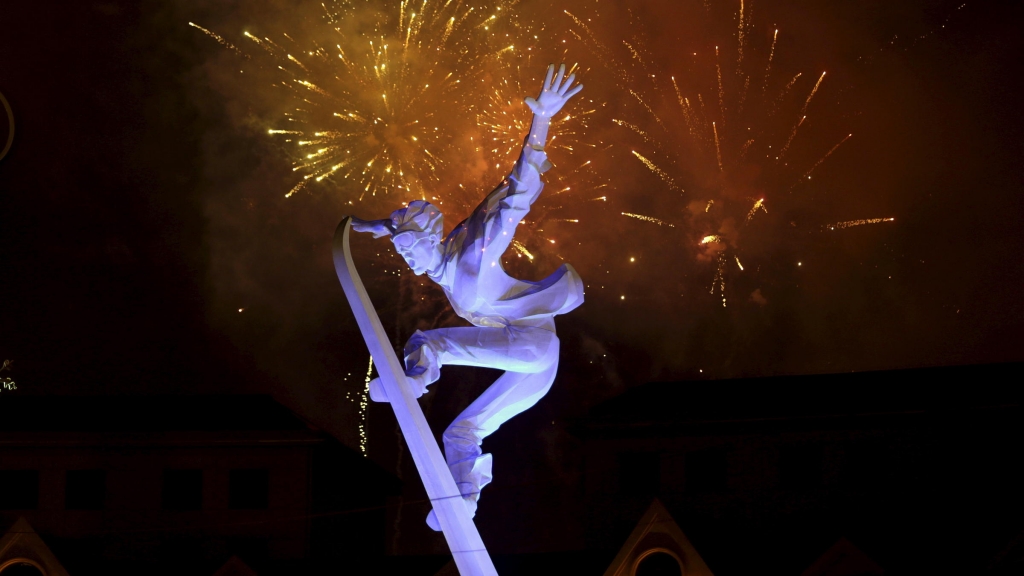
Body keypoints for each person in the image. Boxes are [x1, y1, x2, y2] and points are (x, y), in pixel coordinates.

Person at [350, 63, 584, 530]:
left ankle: (414, 381)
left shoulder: (475, 250)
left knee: (431, 342)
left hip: (534, 346)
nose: (409, 260)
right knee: (462, 431)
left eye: (411, 248)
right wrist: (383, 227)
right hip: (537, 368)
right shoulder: (436, 260)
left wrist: (542, 122)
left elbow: (517, 196)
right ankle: (466, 499)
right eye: (403, 251)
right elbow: (410, 232)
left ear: (430, 238)